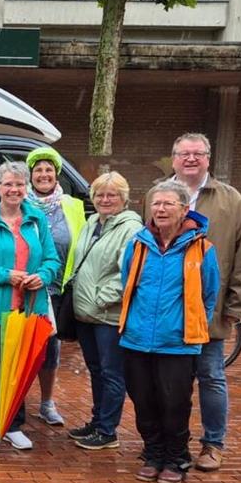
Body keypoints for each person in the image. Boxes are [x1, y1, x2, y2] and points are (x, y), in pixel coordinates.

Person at [144, 132, 241, 473]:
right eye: (184, 154)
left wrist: (235, 306)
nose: (191, 159)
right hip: (163, 313)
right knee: (167, 382)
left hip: (207, 310)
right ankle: (169, 444)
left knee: (210, 376)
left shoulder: (230, 199)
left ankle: (213, 443)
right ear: (173, 158)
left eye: (198, 154)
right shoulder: (155, 193)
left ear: (208, 158)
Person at [121, 180, 219, 483]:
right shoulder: (138, 244)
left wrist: (188, 326)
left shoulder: (201, 248)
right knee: (143, 400)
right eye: (156, 204)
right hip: (136, 339)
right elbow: (128, 285)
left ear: (184, 209)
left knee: (174, 403)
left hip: (177, 343)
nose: (160, 209)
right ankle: (153, 453)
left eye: (168, 204)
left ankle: (176, 457)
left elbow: (209, 294)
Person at [0, 160, 60, 450]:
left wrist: (42, 276)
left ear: (26, 188)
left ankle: (14, 424)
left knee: (19, 367)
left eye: (19, 184)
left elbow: (52, 259)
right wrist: (6, 276)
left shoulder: (37, 220)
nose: (14, 189)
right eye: (8, 184)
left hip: (28, 307)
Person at [67, 172, 144, 451]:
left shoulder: (130, 228)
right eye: (100, 194)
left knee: (112, 373)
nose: (105, 199)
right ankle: (97, 420)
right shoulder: (91, 223)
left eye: (112, 195)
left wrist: (101, 299)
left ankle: (107, 430)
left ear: (123, 198)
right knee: (96, 370)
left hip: (107, 315)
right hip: (86, 313)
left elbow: (128, 273)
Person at [25, 147, 86, 427]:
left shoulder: (72, 205)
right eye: (38, 170)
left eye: (49, 169)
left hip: (57, 288)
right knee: (23, 346)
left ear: (57, 173)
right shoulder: (20, 203)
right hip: (25, 287)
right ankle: (16, 401)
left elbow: (82, 243)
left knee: (51, 349)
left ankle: (47, 403)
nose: (44, 174)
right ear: (31, 175)